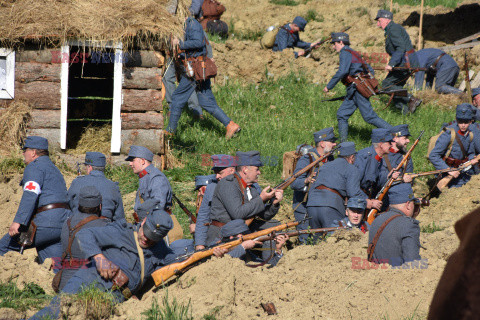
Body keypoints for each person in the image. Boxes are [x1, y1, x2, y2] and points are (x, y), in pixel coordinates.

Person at [30, 206, 177, 320]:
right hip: (89, 281)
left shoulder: (161, 250)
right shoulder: (122, 231)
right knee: (56, 311)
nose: (146, 239)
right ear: (143, 221)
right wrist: (100, 258)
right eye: (146, 232)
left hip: (115, 298)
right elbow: (85, 234)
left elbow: (178, 261)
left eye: (152, 238)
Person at [167, 12, 240, 139]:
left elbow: (198, 43)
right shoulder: (187, 24)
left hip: (195, 69)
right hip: (198, 68)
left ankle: (170, 132)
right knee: (205, 101)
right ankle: (230, 125)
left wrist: (180, 44)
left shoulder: (191, 24)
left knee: (178, 98)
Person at [0, 136, 70, 263]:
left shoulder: (34, 167)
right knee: (53, 265)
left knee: (3, 247)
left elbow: (30, 195)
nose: (23, 153)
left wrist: (18, 221)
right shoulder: (55, 170)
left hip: (45, 223)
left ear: (33, 153)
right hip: (62, 224)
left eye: (25, 150)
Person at [323, 32, 392, 142]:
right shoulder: (353, 52)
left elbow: (342, 71)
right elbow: (370, 69)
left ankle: (396, 134)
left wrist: (328, 86)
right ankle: (343, 144)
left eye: (334, 43)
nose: (333, 46)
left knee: (369, 117)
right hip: (355, 89)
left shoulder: (344, 52)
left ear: (341, 42)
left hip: (357, 89)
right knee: (342, 114)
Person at [206, 151, 283, 244]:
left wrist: (274, 204)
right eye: (257, 169)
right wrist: (261, 199)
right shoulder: (228, 184)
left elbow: (262, 215)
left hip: (239, 234)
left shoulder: (251, 188)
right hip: (222, 237)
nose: (259, 172)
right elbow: (237, 213)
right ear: (245, 169)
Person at [306, 142, 369, 236]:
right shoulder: (351, 169)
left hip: (311, 204)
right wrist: (368, 202)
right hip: (331, 206)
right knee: (334, 239)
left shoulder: (325, 165)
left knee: (315, 241)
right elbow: (353, 193)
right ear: (352, 157)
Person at [55, 186, 109, 292]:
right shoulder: (104, 226)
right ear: (100, 206)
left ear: (79, 204)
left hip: (64, 285)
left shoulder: (67, 223)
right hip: (88, 287)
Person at [125, 145, 183, 242]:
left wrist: (146, 228)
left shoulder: (156, 178)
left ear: (142, 161)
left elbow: (158, 205)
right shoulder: (145, 177)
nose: (130, 164)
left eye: (132, 160)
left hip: (154, 228)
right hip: (146, 225)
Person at [290, 127, 336, 244]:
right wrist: (306, 180)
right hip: (304, 207)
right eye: (331, 141)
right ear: (322, 143)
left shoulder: (330, 158)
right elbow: (294, 182)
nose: (334, 144)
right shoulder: (307, 159)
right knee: (305, 241)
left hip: (321, 206)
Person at [375, 9, 422, 114]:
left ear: (387, 20)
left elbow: (400, 48)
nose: (378, 24)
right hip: (404, 61)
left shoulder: (393, 29)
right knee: (396, 91)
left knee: (387, 85)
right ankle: (406, 114)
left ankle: (412, 99)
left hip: (405, 62)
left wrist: (391, 64)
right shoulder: (391, 29)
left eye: (379, 21)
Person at [367, 183, 422, 267]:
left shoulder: (376, 220)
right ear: (408, 205)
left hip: (375, 275)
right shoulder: (409, 225)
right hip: (396, 277)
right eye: (413, 203)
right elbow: (413, 264)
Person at [429, 103, 478, 188]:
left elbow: (470, 153)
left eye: (466, 122)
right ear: (456, 119)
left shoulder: (470, 134)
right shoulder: (449, 134)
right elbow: (433, 155)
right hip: (446, 172)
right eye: (460, 122)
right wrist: (449, 170)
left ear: (470, 122)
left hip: (462, 172)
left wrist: (472, 160)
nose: (463, 125)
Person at [195, 154, 236, 250]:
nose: (217, 176)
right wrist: (200, 244)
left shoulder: (242, 186)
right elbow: (203, 216)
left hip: (235, 234)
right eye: (215, 172)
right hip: (214, 235)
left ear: (232, 170)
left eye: (220, 172)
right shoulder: (211, 187)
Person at [67, 152, 124, 221]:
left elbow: (68, 205)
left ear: (90, 167)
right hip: (105, 229)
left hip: (79, 227)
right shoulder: (113, 187)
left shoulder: (77, 182)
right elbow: (119, 217)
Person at [212, 219, 288, 267]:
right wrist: (243, 247)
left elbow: (268, 266)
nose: (247, 238)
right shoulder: (216, 249)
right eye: (244, 235)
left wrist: (277, 249)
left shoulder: (246, 252)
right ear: (231, 237)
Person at [354, 128, 398, 200]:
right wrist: (367, 201)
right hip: (358, 199)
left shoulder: (378, 158)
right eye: (389, 142)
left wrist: (389, 177)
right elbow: (354, 185)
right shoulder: (363, 157)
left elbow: (376, 183)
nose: (392, 145)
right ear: (381, 144)